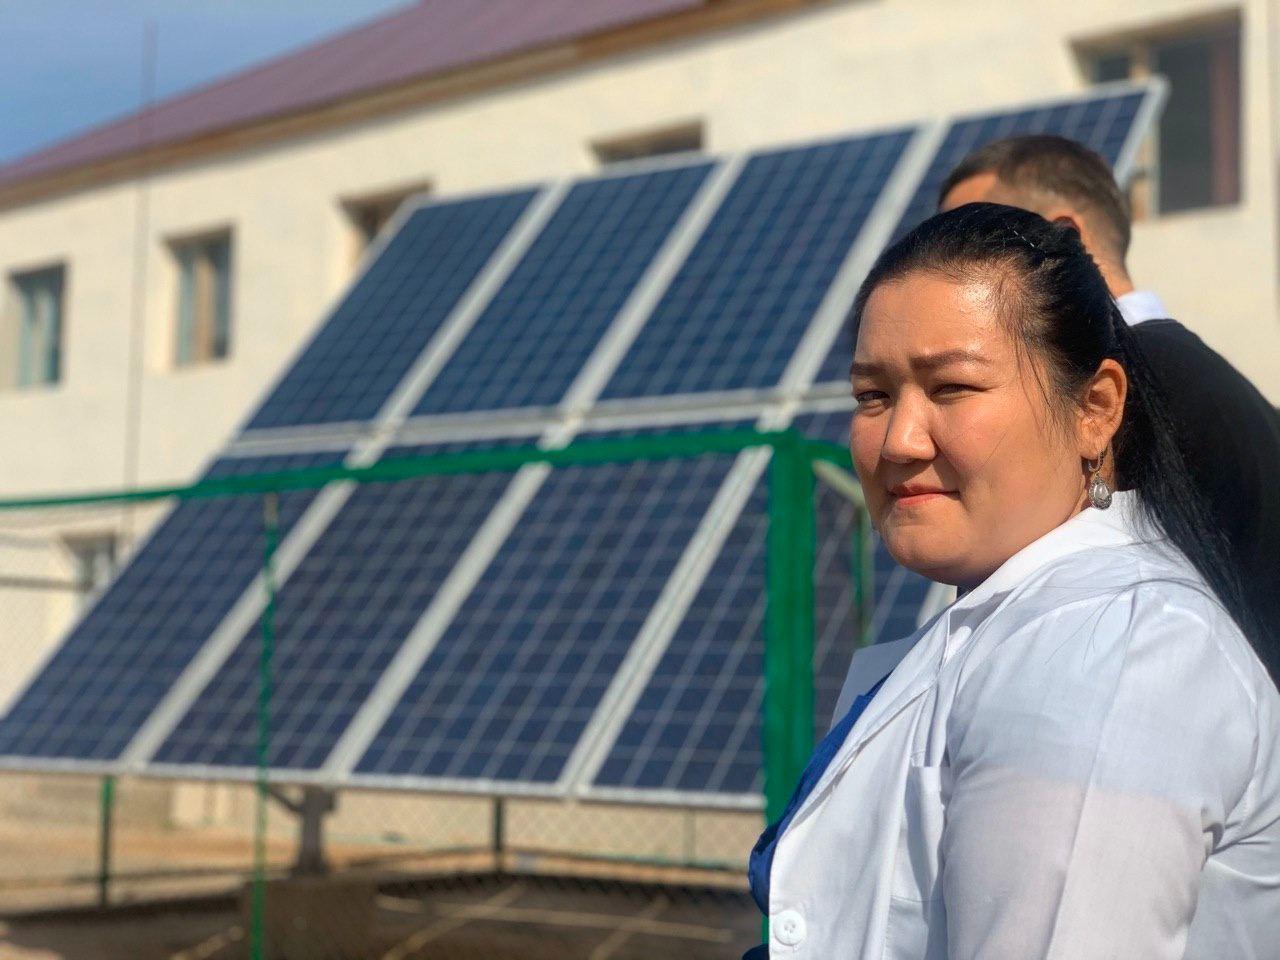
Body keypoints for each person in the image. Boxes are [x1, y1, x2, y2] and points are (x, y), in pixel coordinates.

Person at [745, 203, 1280, 959]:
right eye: (873, 395)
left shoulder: (1112, 655)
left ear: (1096, 409)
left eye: (953, 388)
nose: (898, 440)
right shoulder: (1008, 623)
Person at [938, 134, 1280, 654]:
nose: (942, 275)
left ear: (1065, 237)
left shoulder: (1145, 386)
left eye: (976, 244)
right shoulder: (1201, 378)